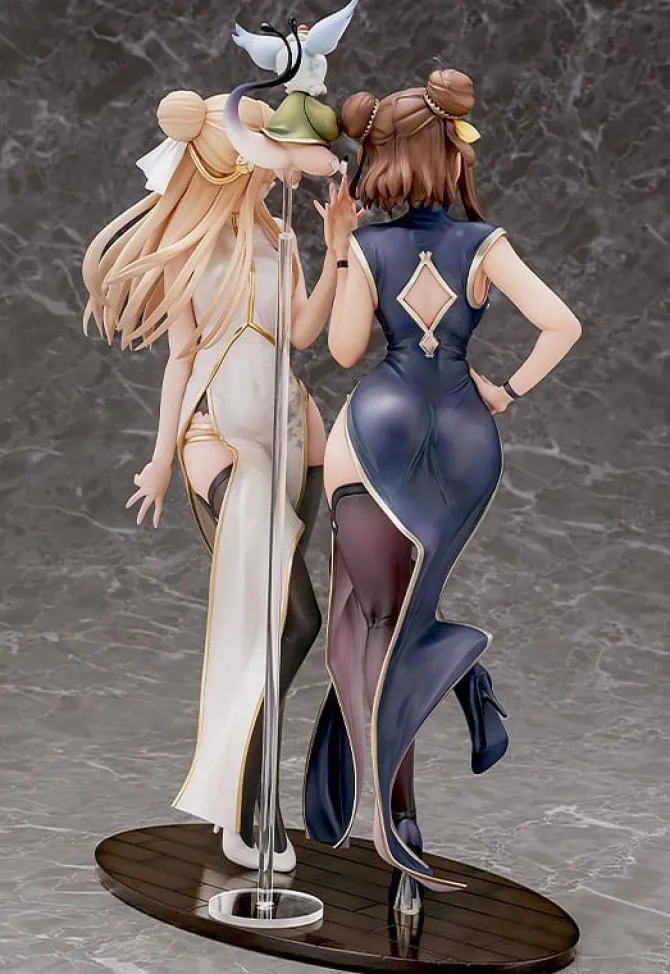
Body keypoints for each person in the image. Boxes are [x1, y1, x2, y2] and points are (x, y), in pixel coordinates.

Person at [304, 68, 582, 911]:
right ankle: (450, 694)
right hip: (465, 438)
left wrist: (340, 249)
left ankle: (403, 821)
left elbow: (344, 351)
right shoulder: (484, 244)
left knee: (370, 629)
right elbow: (563, 323)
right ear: (451, 156)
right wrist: (507, 391)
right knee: (397, 621)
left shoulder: (371, 247)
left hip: (377, 435)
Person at [82, 88, 353, 872]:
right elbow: (180, 358)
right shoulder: (192, 250)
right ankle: (242, 802)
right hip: (221, 438)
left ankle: (247, 793)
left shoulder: (281, 235)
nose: (277, 167)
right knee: (289, 620)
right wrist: (161, 458)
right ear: (231, 164)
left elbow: (303, 332)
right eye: (263, 153)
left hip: (292, 434)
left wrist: (337, 250)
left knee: (285, 623)